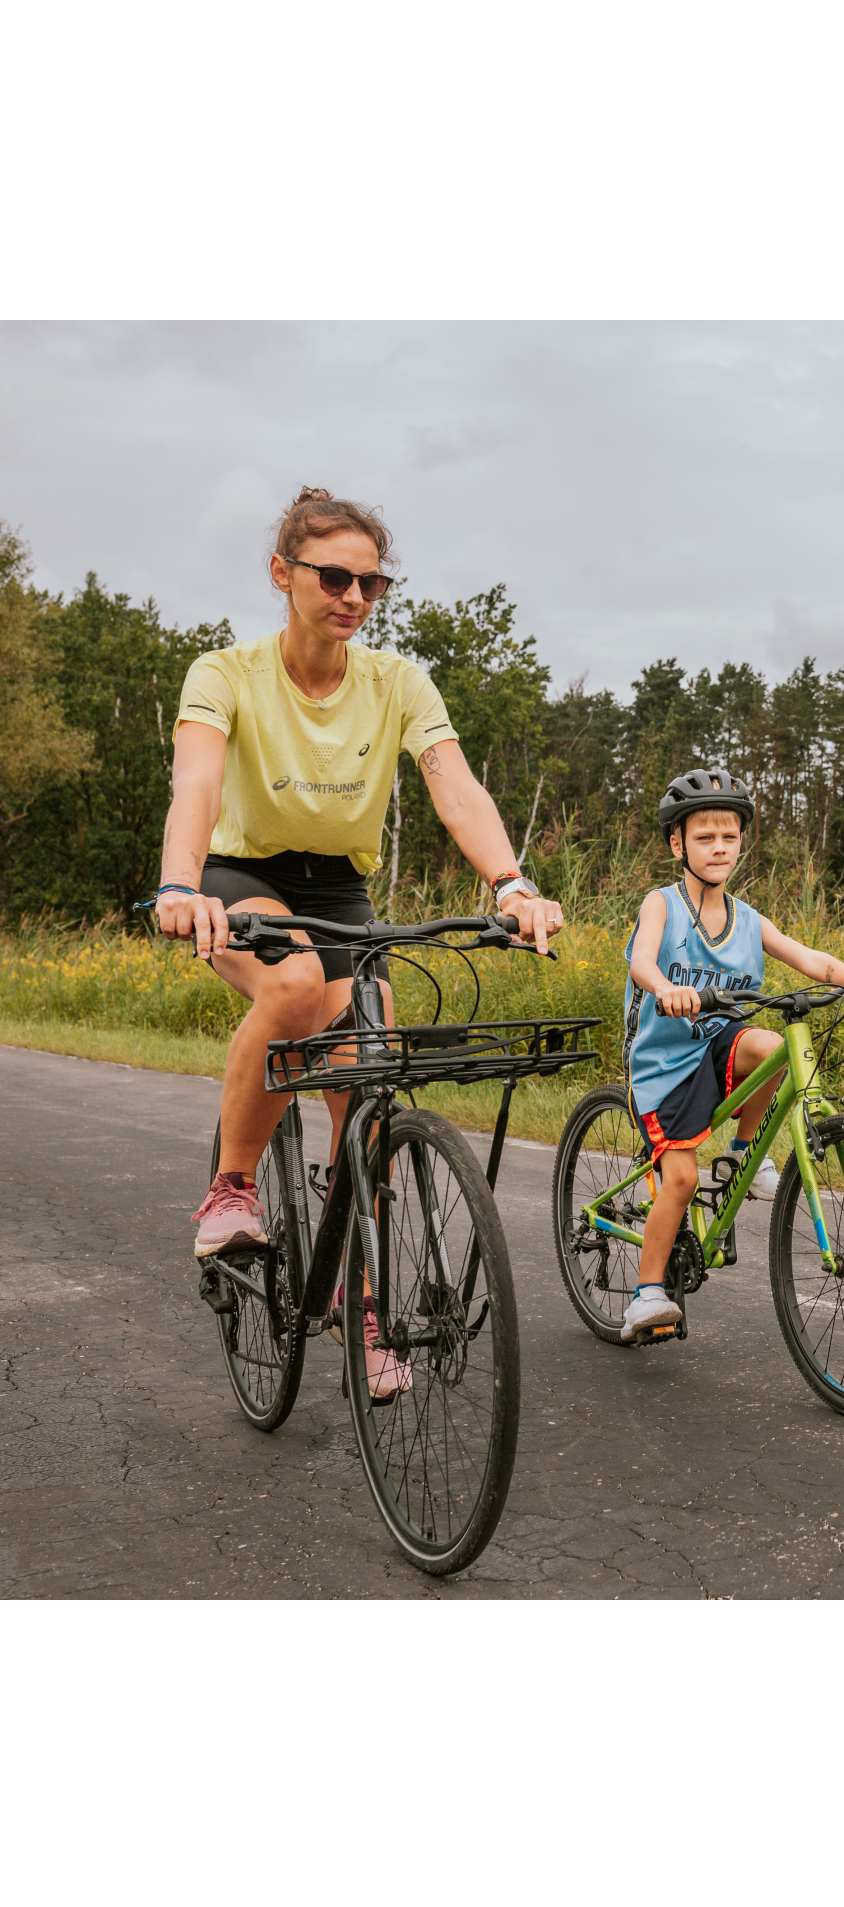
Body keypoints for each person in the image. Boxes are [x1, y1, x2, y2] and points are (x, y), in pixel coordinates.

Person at [155, 487, 565, 1396]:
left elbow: (455, 787)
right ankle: (230, 1191)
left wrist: (512, 882)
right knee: (296, 987)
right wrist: (181, 884)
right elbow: (197, 783)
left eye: (372, 582)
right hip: (236, 874)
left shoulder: (397, 683)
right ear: (282, 574)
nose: (355, 597)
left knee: (366, 1091)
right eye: (334, 576)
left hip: (339, 886)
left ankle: (367, 1313)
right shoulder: (224, 672)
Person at [619, 768, 844, 1342]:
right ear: (678, 844)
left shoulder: (748, 919)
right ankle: (646, 1292)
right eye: (704, 837)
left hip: (720, 1046)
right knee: (677, 1180)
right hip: (664, 1066)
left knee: (774, 1046)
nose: (719, 847)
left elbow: (815, 962)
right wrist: (663, 989)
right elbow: (641, 961)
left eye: (729, 836)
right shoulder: (662, 904)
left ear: (742, 842)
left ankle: (745, 1155)